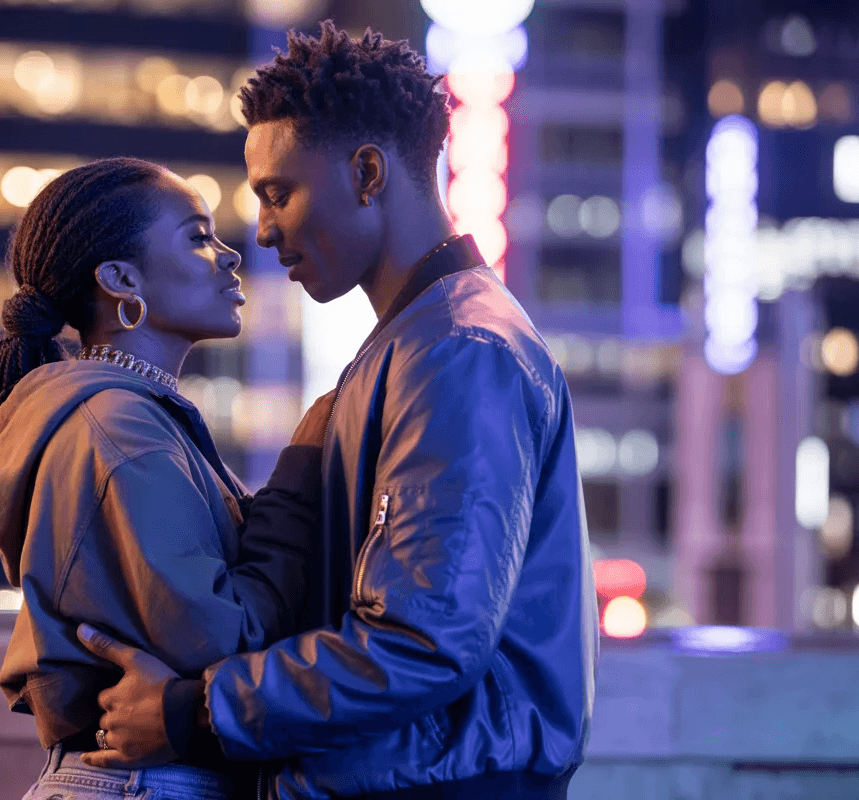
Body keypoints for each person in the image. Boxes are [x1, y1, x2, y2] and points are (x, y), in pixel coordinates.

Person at [74, 22, 599, 800]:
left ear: (366, 173)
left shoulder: (458, 352)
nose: (263, 229)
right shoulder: (408, 350)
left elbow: (422, 642)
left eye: (279, 192)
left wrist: (195, 710)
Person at [0, 156, 329, 800]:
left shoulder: (116, 414)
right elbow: (220, 639)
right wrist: (298, 484)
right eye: (198, 237)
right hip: (146, 783)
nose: (230, 255)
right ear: (121, 280)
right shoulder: (117, 424)